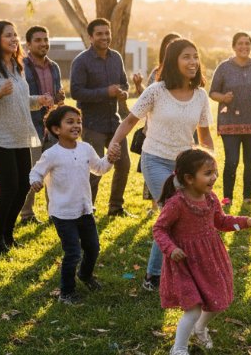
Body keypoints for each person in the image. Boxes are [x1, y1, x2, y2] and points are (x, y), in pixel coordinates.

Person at [107, 38, 215, 292]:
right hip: (154, 159)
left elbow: (204, 134)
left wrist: (210, 165)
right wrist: (114, 143)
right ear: (173, 60)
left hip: (185, 166)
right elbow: (130, 120)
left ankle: (159, 272)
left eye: (195, 56)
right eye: (186, 56)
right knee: (171, 212)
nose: (193, 62)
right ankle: (154, 275)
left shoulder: (200, 96)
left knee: (173, 217)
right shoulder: (156, 91)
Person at [152, 149, 251, 355]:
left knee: (218, 302)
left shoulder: (211, 198)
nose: (214, 177)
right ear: (189, 178)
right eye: (208, 173)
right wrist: (171, 248)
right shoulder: (177, 203)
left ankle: (200, 328)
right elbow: (159, 228)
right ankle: (179, 349)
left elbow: (221, 221)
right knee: (192, 310)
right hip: (184, 262)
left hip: (209, 259)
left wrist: (244, 222)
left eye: (215, 172)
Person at [0, 20, 53, 254]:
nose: (14, 39)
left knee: (23, 186)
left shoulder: (16, 67)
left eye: (15, 35)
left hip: (18, 135)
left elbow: (19, 100)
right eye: (9, 35)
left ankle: (7, 234)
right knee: (8, 187)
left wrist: (39, 101)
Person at [29, 106, 111, 304]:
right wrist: (36, 181)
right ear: (57, 129)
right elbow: (36, 171)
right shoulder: (52, 154)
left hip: (84, 209)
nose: (76, 125)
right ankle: (66, 292)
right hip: (63, 213)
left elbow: (99, 168)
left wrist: (110, 159)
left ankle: (85, 275)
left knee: (93, 248)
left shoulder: (86, 149)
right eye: (70, 122)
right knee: (73, 252)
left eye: (78, 122)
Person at [69, 18, 133, 217]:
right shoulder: (81, 61)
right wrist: (105, 92)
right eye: (100, 34)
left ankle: (116, 207)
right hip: (92, 124)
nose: (105, 37)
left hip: (114, 123)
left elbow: (124, 84)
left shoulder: (116, 58)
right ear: (90, 37)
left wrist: (123, 92)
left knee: (123, 164)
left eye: (107, 33)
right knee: (94, 171)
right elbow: (76, 92)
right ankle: (87, 209)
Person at [208, 32, 251, 209]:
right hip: (229, 121)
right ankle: (227, 197)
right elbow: (212, 92)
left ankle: (247, 197)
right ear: (234, 46)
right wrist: (223, 97)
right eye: (240, 44)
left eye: (247, 43)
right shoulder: (224, 67)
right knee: (232, 160)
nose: (244, 47)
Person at [20, 25, 65, 225]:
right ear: (28, 44)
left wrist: (59, 97)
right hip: (31, 126)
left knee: (54, 172)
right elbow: (20, 97)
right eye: (38, 40)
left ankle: (54, 213)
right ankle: (27, 214)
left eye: (46, 39)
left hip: (53, 128)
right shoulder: (20, 66)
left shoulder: (54, 66)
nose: (43, 44)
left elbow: (56, 95)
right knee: (32, 171)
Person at [138, 32, 183, 212]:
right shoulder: (157, 73)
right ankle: (156, 203)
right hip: (157, 130)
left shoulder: (187, 75)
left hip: (181, 130)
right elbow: (147, 97)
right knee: (155, 170)